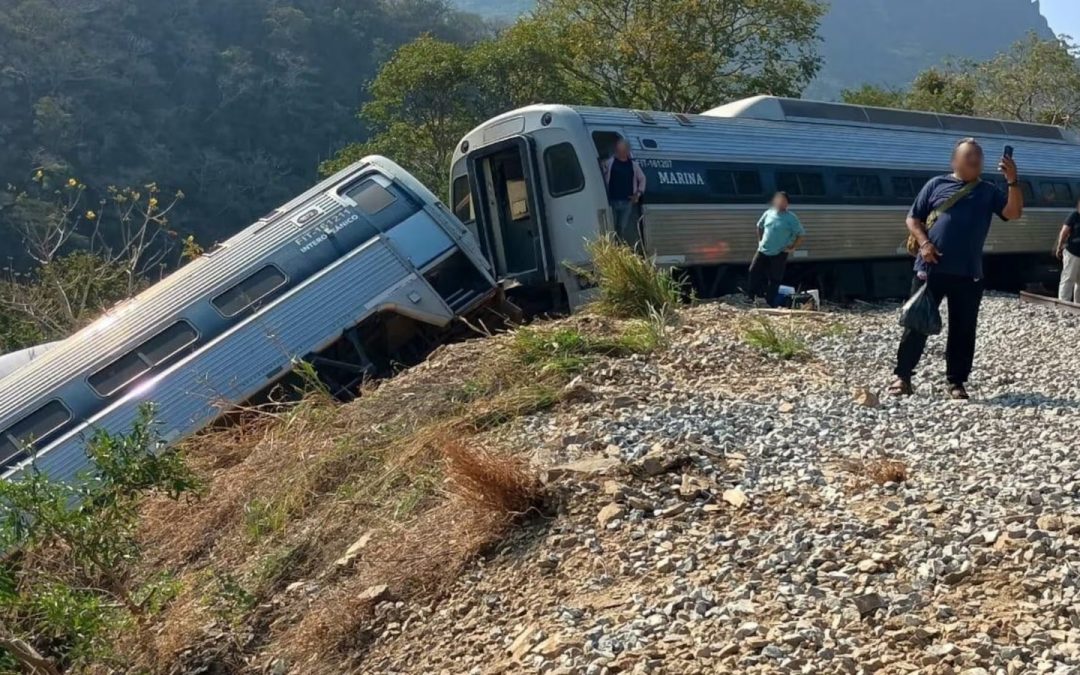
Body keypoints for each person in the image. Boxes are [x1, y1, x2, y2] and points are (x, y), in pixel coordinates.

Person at [890, 138, 1023, 400]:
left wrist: (1012, 181)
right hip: (930, 268)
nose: (975, 158)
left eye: (979, 155)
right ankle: (902, 377)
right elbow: (913, 218)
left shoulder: (988, 190)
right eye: (969, 154)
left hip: (968, 272)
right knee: (916, 323)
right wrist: (924, 243)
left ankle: (956, 382)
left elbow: (1014, 213)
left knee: (963, 329)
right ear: (954, 161)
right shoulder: (936, 184)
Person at [747, 191, 804, 307]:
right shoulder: (768, 213)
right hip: (763, 250)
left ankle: (770, 301)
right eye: (778, 200)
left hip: (779, 252)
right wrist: (760, 241)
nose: (780, 202)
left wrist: (792, 247)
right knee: (753, 271)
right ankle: (753, 296)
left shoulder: (791, 218)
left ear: (787, 203)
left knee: (775, 278)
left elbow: (800, 234)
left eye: (783, 200)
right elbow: (759, 226)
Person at [603, 139, 647, 249]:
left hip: (627, 202)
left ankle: (619, 249)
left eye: (622, 151)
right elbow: (603, 172)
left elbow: (642, 179)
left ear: (627, 151)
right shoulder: (610, 162)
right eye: (618, 150)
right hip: (612, 201)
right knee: (611, 227)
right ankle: (612, 248)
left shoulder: (633, 165)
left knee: (622, 227)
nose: (619, 153)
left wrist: (638, 193)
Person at [1055, 199, 1080, 302]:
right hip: (1072, 252)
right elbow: (1064, 232)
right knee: (1068, 278)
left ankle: (1077, 305)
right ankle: (1063, 303)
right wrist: (1059, 246)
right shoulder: (1074, 216)